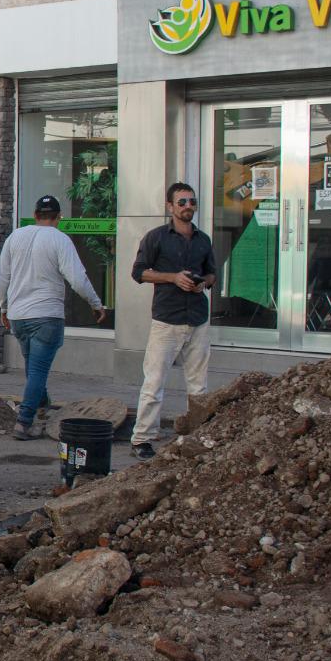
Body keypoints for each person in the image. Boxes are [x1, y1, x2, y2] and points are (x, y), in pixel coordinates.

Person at [0, 195, 106, 441]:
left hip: (19, 315)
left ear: (35, 215)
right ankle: (24, 423)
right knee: (38, 371)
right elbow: (77, 278)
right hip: (46, 314)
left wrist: (4, 307)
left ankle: (42, 409)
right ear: (58, 218)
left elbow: (3, 277)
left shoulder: (15, 236)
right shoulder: (60, 239)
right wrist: (96, 303)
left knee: (33, 368)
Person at [130, 182, 217, 459]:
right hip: (167, 319)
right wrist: (172, 277)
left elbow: (212, 273)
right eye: (181, 202)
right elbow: (139, 272)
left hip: (198, 317)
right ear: (170, 207)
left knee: (199, 384)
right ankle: (142, 438)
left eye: (192, 201)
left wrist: (202, 283)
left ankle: (197, 434)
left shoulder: (203, 240)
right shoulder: (156, 237)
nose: (188, 206)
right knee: (154, 381)